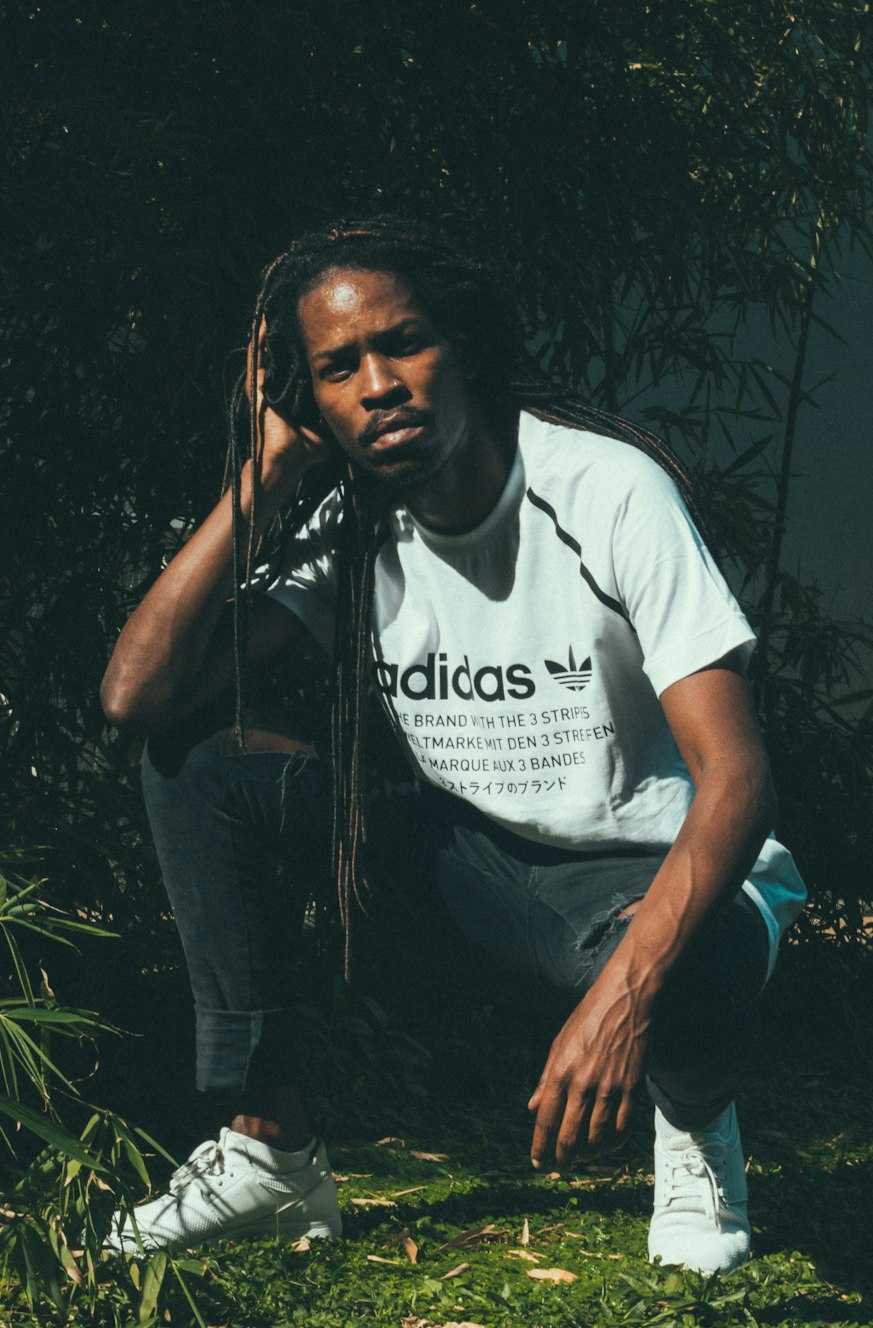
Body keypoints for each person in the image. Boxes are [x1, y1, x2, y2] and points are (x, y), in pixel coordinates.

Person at [100, 216, 805, 1274]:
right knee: (197, 760)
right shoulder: (354, 523)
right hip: (465, 861)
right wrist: (269, 472)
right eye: (337, 369)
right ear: (311, 400)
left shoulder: (605, 490)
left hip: (644, 875)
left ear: (463, 347)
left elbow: (739, 782)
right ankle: (271, 1150)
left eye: (405, 344)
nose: (378, 384)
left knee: (682, 950)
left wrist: (621, 1002)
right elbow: (139, 696)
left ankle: (696, 1126)